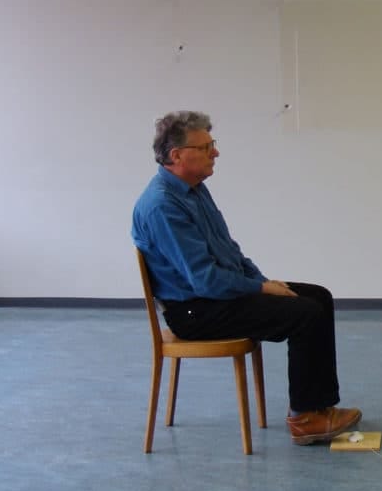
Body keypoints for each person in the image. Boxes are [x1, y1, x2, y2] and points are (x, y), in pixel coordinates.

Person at [131, 111, 361, 446]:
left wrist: (263, 281)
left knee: (318, 296)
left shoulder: (193, 189)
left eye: (213, 144)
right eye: (206, 146)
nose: (216, 153)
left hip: (214, 298)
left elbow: (230, 252)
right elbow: (206, 280)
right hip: (196, 312)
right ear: (176, 155)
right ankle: (306, 417)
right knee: (305, 313)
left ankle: (320, 407)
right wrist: (260, 288)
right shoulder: (163, 206)